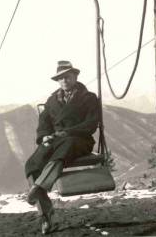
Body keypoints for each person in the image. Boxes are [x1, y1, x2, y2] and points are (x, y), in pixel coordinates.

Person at [24, 60, 99, 234]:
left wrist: (68, 132)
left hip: (79, 140)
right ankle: (45, 212)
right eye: (60, 78)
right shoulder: (51, 101)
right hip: (56, 141)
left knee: (66, 146)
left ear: (75, 76)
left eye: (67, 76)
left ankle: (39, 188)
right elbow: (44, 124)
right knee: (32, 164)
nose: (64, 80)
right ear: (57, 81)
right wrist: (44, 137)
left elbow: (91, 123)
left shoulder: (88, 98)